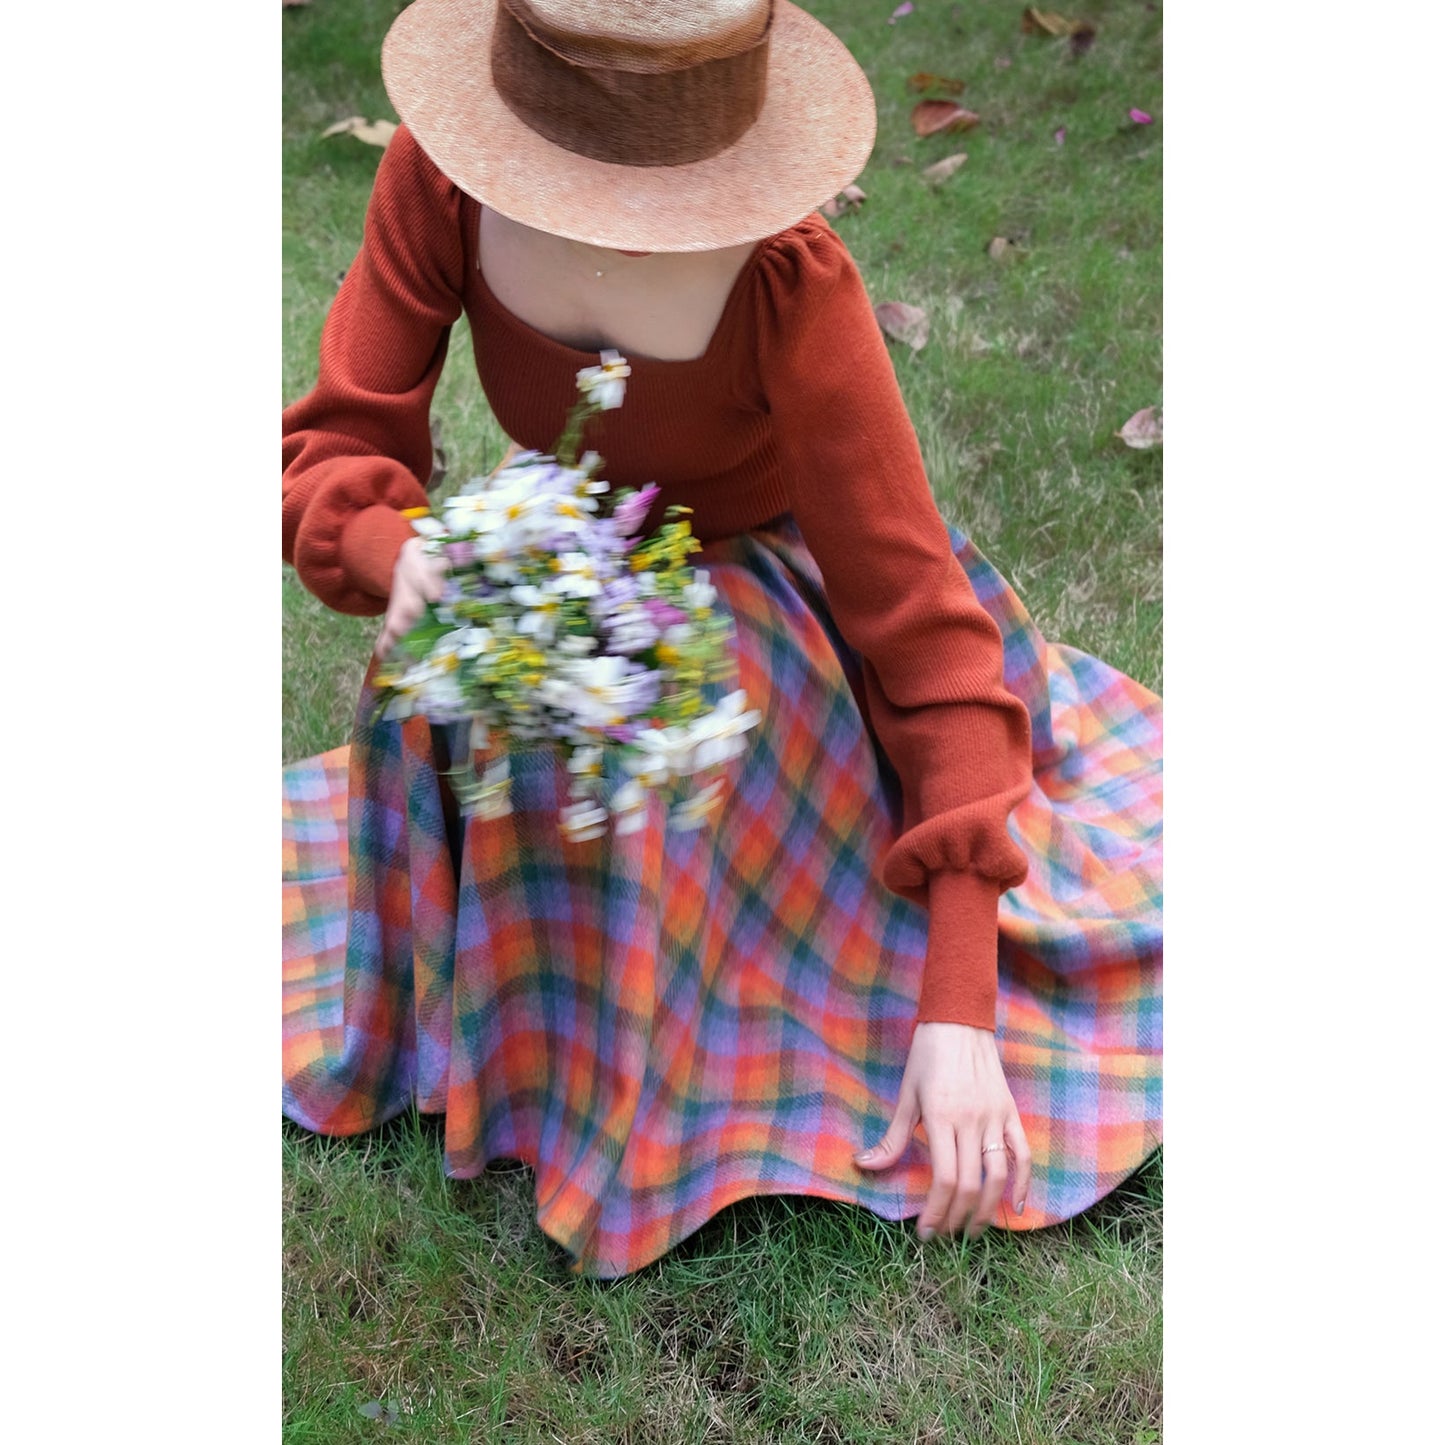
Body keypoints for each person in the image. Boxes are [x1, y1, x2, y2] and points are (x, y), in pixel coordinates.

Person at [282, 0, 1163, 1279]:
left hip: (766, 615)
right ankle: (496, 1017)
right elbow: (336, 443)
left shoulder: (787, 285)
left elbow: (926, 644)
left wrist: (958, 1003)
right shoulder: (440, 185)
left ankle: (643, 1042)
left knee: (650, 755)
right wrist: (397, 550)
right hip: (558, 564)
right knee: (447, 696)